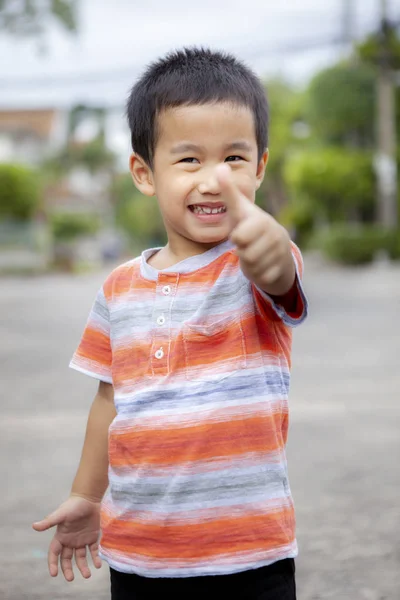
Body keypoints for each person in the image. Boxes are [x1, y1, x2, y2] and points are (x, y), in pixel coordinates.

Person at [33, 47, 308, 600]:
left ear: (259, 168)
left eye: (233, 159)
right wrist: (87, 498)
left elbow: (278, 269)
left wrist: (266, 237)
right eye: (189, 160)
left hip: (250, 553)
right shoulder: (118, 287)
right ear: (144, 173)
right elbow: (109, 402)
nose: (213, 180)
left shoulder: (252, 268)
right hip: (140, 556)